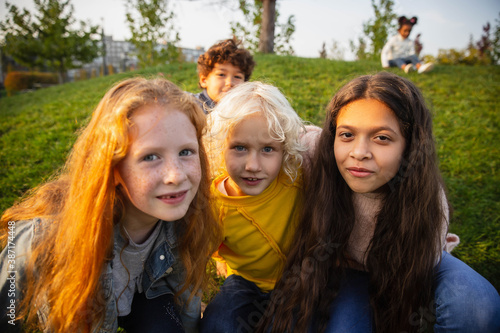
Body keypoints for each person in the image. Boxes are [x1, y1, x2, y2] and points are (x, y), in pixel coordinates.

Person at [257, 72, 500, 333]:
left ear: (410, 145)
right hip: (346, 267)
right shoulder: (316, 153)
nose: (359, 153)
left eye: (382, 138)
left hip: (412, 262)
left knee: (477, 305)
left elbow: (411, 275)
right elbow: (258, 138)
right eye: (347, 134)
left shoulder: (423, 201)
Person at [0, 77, 221, 333]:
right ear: (112, 168)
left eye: (186, 152)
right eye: (150, 157)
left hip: (146, 294)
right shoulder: (41, 238)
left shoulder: (185, 215)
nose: (177, 176)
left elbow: (186, 294)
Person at [199, 81, 317, 333]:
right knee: (217, 324)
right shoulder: (214, 204)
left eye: (267, 149)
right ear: (222, 146)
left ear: (284, 150)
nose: (253, 165)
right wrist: (220, 261)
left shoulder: (295, 179)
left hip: (299, 281)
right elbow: (203, 251)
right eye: (240, 147)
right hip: (246, 281)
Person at [193, 38, 255, 113]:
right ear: (204, 80)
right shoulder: (190, 107)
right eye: (221, 75)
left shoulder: (246, 112)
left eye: (237, 77)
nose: (229, 83)